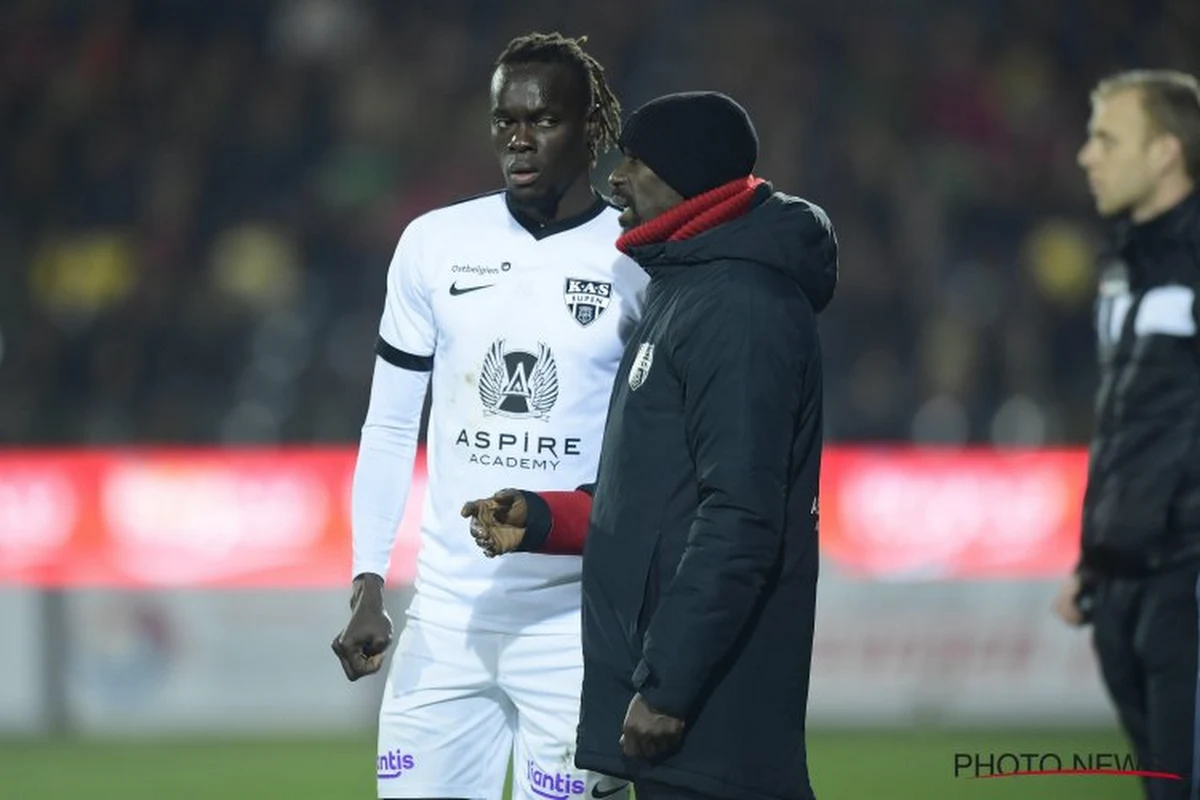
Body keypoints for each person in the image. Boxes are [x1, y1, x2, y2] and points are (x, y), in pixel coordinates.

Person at [463, 91, 838, 800]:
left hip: (714, 718)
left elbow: (740, 519)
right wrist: (545, 519)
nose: (615, 178)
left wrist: (668, 685)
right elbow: (660, 501)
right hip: (685, 712)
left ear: (688, 177)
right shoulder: (684, 290)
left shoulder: (742, 308)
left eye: (636, 161)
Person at [330, 32, 646, 800]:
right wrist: (368, 581)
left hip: (576, 629)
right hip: (446, 620)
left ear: (590, 130)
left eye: (542, 121)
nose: (519, 138)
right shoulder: (435, 245)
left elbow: (654, 450)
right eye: (505, 120)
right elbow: (390, 425)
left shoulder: (636, 257)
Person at [1053, 69, 1200, 799]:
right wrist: (1094, 555)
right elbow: (1126, 424)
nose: (1086, 156)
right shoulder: (1121, 264)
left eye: (1106, 138)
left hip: (1187, 573)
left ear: (1167, 152)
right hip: (1123, 578)